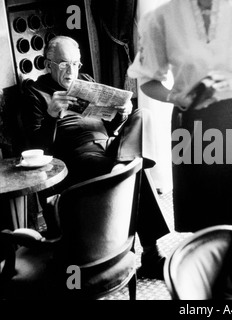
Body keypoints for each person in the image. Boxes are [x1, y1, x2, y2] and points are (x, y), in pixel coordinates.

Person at [128, 0, 232, 233]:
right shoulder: (161, 17)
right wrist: (174, 96)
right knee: (202, 220)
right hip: (191, 122)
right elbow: (147, 80)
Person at [21, 36, 170, 279]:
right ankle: (152, 255)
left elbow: (111, 126)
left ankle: (128, 161)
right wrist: (51, 116)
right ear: (48, 64)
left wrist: (122, 114)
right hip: (78, 155)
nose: (72, 71)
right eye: (64, 64)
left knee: (143, 114)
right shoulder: (35, 93)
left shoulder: (86, 82)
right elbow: (36, 150)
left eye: (76, 64)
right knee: (134, 167)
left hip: (109, 144)